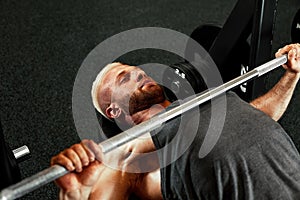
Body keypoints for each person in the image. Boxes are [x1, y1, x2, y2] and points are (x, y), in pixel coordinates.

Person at [51, 43, 300, 199]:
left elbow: (259, 115)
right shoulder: (136, 157)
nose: (139, 72)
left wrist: (291, 75)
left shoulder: (208, 102)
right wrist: (81, 195)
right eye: (124, 78)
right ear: (113, 111)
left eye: (136, 69)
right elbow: (113, 184)